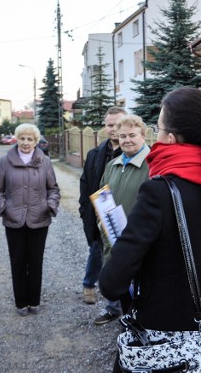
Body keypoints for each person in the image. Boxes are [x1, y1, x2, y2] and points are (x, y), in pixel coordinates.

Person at [99, 88, 201, 372]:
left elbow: (111, 281)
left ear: (170, 138)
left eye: (159, 127)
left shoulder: (158, 192)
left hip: (164, 345)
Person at [0, 123, 61, 316]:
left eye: (30, 139)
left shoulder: (44, 161)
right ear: (17, 140)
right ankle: (21, 302)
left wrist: (49, 206)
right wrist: (4, 207)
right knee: (18, 262)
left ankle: (34, 301)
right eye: (22, 138)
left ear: (36, 141)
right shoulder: (6, 161)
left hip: (39, 219)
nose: (25, 142)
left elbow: (53, 189)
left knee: (35, 262)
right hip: (14, 220)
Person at [94, 114, 151, 326]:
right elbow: (102, 195)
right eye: (123, 136)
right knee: (119, 283)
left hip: (139, 239)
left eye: (132, 135)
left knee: (142, 288)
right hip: (113, 236)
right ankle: (126, 325)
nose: (127, 140)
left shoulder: (151, 163)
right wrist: (102, 223)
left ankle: (143, 329)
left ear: (143, 136)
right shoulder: (112, 165)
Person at [78, 106, 126, 305]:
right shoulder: (95, 154)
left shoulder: (129, 151)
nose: (113, 129)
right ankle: (89, 284)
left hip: (121, 211)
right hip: (98, 213)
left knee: (120, 256)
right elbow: (85, 184)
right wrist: (84, 210)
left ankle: (115, 300)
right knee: (96, 251)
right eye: (109, 125)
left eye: (117, 125)